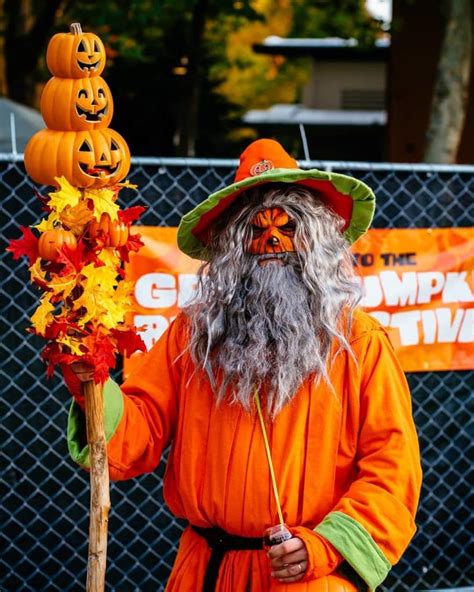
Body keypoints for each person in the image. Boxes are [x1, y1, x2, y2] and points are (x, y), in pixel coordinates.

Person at [64, 139, 422, 591]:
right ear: (231, 245)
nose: (272, 240)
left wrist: (326, 547)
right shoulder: (192, 336)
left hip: (310, 576)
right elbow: (136, 435)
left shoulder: (360, 342)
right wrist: (91, 384)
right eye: (254, 228)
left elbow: (392, 469)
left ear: (315, 239)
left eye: (288, 226)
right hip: (207, 575)